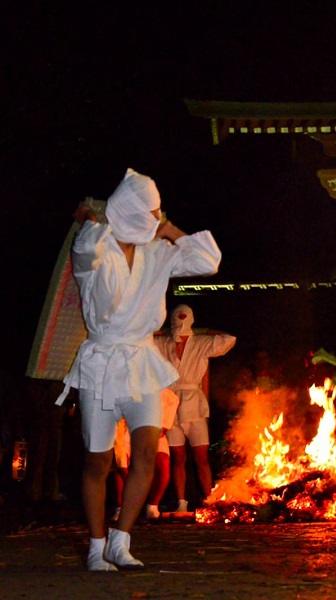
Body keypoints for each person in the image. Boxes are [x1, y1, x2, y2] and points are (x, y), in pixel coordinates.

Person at [56, 168, 222, 571]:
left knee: (147, 450)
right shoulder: (95, 247)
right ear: (127, 210)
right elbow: (85, 249)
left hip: (143, 361)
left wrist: (167, 229)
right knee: (99, 461)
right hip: (103, 363)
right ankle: (96, 547)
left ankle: (120, 540)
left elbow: (208, 261)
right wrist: (96, 222)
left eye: (158, 211)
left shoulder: (157, 250)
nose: (155, 217)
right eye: (149, 211)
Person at [155, 304, 236, 512]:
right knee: (178, 457)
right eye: (177, 318)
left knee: (201, 457)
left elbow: (229, 339)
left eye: (184, 318)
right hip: (170, 404)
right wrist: (161, 330)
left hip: (194, 405)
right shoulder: (163, 343)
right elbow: (141, 340)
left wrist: (207, 330)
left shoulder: (200, 342)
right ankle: (182, 502)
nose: (180, 322)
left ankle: (209, 500)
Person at [144, 388, 180, 519]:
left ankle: (152, 506)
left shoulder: (167, 393)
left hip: (157, 435)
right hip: (130, 434)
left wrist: (163, 427)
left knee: (163, 464)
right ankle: (122, 507)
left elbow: (172, 403)